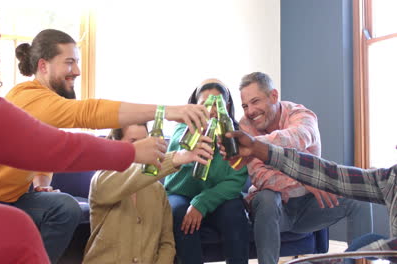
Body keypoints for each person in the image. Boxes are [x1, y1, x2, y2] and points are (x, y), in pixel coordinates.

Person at [0, 0, 167, 263]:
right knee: (17, 229)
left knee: (61, 208)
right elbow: (66, 141)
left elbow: (38, 149)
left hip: (4, 199)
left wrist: (42, 182)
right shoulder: (1, 107)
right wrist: (134, 148)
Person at [0, 29, 209, 263]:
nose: (77, 71)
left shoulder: (47, 107)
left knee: (65, 208)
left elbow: (41, 153)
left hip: (16, 197)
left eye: (77, 62)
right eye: (69, 63)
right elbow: (88, 112)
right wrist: (166, 111)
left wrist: (41, 183)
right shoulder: (29, 98)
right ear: (43, 66)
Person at [236, 72, 368, 264]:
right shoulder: (245, 125)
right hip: (274, 210)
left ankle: (354, 261)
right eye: (245, 105)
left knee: (360, 196)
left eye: (255, 101)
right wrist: (306, 179)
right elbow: (261, 176)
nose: (250, 111)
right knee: (267, 196)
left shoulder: (301, 115)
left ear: (273, 96)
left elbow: (299, 137)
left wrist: (254, 144)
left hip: (309, 207)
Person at [224, 129, 397, 251]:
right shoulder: (390, 180)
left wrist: (380, 248)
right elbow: (330, 175)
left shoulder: (300, 115)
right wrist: (258, 148)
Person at [84, 123, 214, 263]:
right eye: (133, 142)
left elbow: (167, 244)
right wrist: (177, 157)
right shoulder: (102, 179)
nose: (142, 147)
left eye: (145, 141)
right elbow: (134, 175)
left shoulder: (158, 190)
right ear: (116, 145)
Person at [164, 79, 250, 264]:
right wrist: (198, 131)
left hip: (216, 197)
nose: (210, 110)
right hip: (180, 194)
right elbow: (173, 171)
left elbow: (235, 182)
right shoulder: (181, 129)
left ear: (226, 106)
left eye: (216, 104)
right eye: (204, 104)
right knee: (179, 212)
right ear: (195, 106)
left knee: (234, 211)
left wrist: (201, 203)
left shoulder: (236, 136)